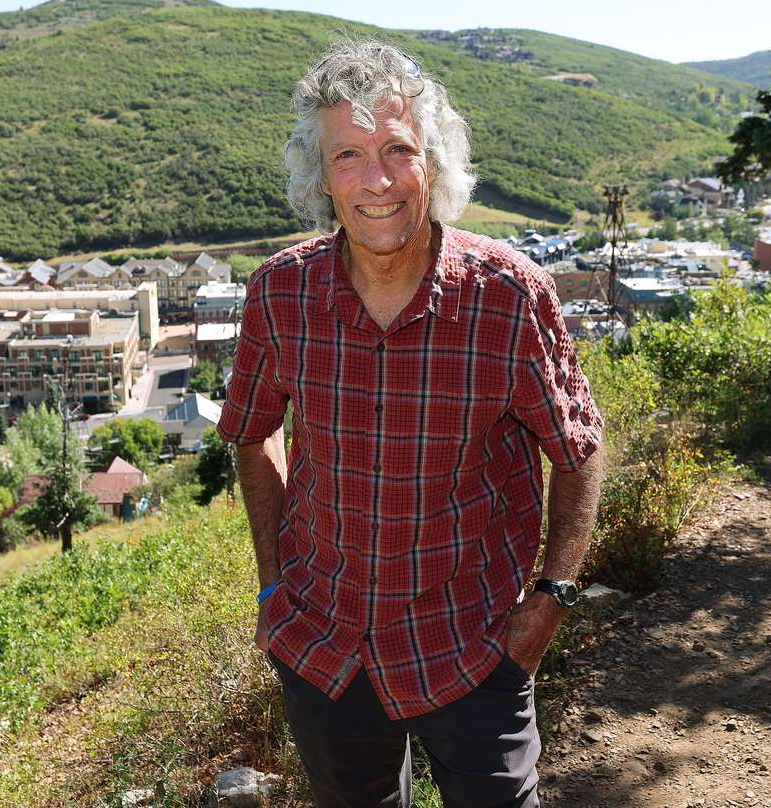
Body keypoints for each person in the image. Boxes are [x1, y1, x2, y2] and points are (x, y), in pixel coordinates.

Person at [216, 39, 606, 808]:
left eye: (398, 149)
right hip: (325, 650)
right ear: (321, 178)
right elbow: (254, 432)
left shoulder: (508, 296)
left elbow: (580, 448)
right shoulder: (279, 295)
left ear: (434, 161)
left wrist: (549, 600)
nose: (377, 181)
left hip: (472, 644)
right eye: (349, 156)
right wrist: (272, 592)